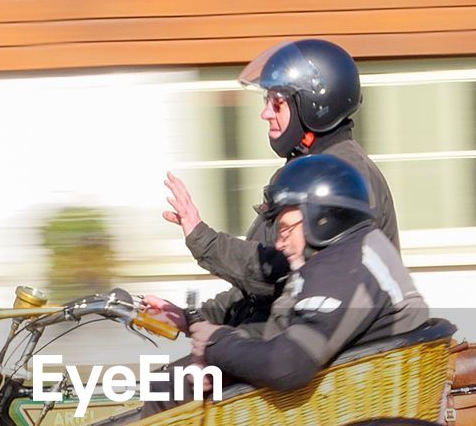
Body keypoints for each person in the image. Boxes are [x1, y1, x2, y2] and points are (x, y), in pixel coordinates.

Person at [144, 38, 399, 336]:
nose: (265, 113)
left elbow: (277, 273)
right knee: (168, 378)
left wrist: (203, 239)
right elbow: (260, 291)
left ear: (314, 105)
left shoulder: (339, 177)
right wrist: (193, 317)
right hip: (287, 338)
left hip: (322, 356)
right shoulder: (307, 169)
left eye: (276, 102)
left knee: (170, 382)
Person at [184, 154, 428, 393]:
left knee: (171, 388)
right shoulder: (348, 252)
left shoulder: (343, 268)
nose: (279, 243)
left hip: (347, 399)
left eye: (286, 229)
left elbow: (286, 366)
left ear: (321, 219)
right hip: (353, 388)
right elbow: (280, 333)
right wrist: (220, 343)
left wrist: (215, 343)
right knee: (175, 382)